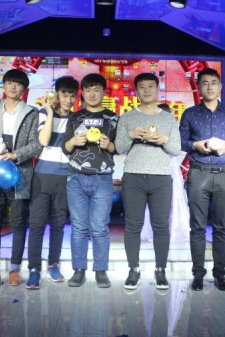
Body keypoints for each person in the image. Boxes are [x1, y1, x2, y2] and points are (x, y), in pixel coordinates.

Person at [115, 73, 181, 291]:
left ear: (157, 89)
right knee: (133, 225)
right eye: (142, 87)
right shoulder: (127, 117)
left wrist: (164, 140)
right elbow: (119, 148)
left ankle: (160, 270)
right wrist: (131, 134)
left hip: (161, 177)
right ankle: (133, 270)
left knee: (160, 225)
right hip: (133, 176)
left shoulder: (168, 118)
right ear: (136, 91)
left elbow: (175, 149)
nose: (146, 90)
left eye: (150, 86)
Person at [180, 68, 225, 292]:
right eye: (205, 83)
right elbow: (181, 141)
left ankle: (220, 275)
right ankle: (198, 274)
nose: (209, 86)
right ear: (198, 87)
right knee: (197, 227)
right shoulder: (190, 113)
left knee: (221, 228)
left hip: (224, 173)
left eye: (214, 82)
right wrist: (196, 145)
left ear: (220, 86)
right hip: (199, 172)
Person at [0, 69, 42, 287]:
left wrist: (15, 155)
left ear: (24, 89)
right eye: (9, 83)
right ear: (3, 85)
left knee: (19, 223)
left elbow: (35, 144)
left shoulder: (32, 113)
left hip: (19, 173)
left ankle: (14, 269)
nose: (13, 87)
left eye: (18, 84)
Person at [62, 73, 118, 288]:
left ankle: (101, 271)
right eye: (88, 90)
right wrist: (74, 142)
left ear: (104, 92)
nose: (92, 94)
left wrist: (108, 145)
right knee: (78, 228)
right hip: (76, 178)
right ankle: (79, 270)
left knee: (99, 227)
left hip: (102, 179)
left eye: (96, 89)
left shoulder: (113, 118)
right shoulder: (75, 117)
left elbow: (118, 148)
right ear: (82, 93)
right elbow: (65, 148)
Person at [26, 76, 79, 290]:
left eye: (72, 95)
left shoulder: (76, 118)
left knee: (58, 225)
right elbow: (43, 141)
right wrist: (49, 113)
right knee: (37, 225)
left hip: (65, 177)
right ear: (57, 94)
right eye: (64, 94)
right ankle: (33, 269)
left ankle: (53, 265)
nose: (68, 99)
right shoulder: (42, 113)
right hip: (42, 176)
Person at [140, 102, 189, 244]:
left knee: (172, 199)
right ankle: (155, 232)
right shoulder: (149, 130)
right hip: (153, 168)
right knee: (154, 201)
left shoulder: (173, 131)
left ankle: (172, 231)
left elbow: (177, 150)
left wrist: (165, 142)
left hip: (169, 168)